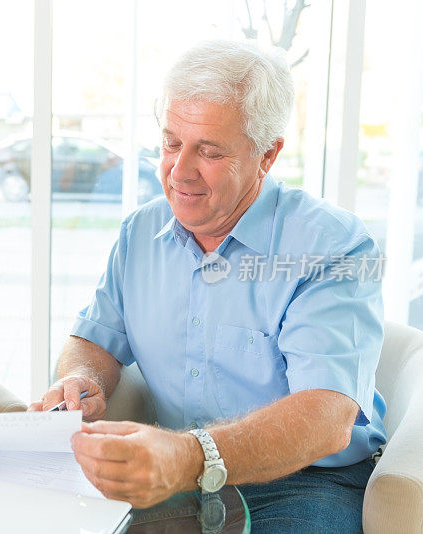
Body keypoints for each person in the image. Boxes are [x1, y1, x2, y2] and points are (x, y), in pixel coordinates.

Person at [31, 40, 386, 532]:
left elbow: (325, 417)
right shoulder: (140, 233)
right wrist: (81, 380)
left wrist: (187, 456)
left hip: (305, 481)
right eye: (171, 143)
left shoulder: (334, 246)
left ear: (267, 155)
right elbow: (94, 340)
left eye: (210, 151)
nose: (179, 172)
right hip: (176, 472)